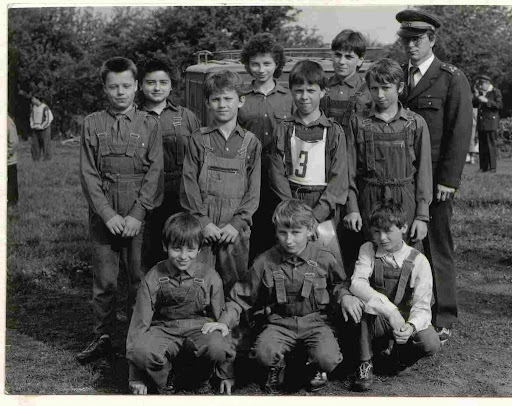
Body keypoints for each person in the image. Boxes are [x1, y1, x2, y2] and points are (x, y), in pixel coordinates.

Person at [210, 199, 362, 394]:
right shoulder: (265, 261)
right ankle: (277, 365)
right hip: (279, 323)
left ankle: (315, 367)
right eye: (283, 232)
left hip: (316, 323)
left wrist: (345, 296)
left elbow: (339, 284)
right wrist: (224, 322)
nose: (289, 240)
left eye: (296, 232)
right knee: (263, 354)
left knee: (328, 359)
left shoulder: (324, 257)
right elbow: (240, 297)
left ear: (310, 230)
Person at [77, 56, 164, 364]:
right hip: (104, 213)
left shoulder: (150, 124)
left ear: (136, 86)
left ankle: (136, 339)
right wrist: (107, 214)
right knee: (105, 281)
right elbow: (88, 175)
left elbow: (155, 173)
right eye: (113, 87)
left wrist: (137, 215)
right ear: (104, 88)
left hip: (138, 213)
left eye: (126, 86)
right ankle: (102, 337)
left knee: (139, 279)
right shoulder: (92, 124)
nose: (120, 92)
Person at [396, 9, 473, 344]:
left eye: (417, 39)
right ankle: (410, 310)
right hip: (403, 177)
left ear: (432, 40)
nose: (410, 46)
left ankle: (444, 315)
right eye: (406, 40)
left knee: (437, 244)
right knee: (404, 242)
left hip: (437, 180)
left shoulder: (451, 78)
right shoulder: (399, 76)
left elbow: (460, 131)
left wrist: (449, 180)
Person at [126, 212, 235, 395]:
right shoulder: (153, 277)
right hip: (164, 329)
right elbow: (139, 325)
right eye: (176, 249)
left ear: (199, 249)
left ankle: (200, 379)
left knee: (218, 346)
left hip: (200, 330)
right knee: (141, 351)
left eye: (190, 249)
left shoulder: (210, 277)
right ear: (165, 246)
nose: (184, 256)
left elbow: (223, 326)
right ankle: (164, 378)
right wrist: (135, 376)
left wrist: (226, 373)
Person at [180, 70, 262, 295]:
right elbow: (188, 186)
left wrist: (236, 224)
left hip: (234, 229)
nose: (222, 104)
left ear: (241, 101)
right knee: (197, 282)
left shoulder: (251, 143)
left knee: (234, 284)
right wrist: (203, 222)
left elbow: (253, 192)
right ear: (207, 103)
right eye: (216, 99)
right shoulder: (198, 139)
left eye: (228, 98)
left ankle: (232, 318)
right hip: (201, 226)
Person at [350, 201, 440, 391]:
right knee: (363, 306)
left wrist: (411, 326)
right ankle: (365, 363)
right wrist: (390, 311)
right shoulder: (368, 249)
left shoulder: (419, 260)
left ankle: (397, 360)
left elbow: (422, 305)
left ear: (403, 228)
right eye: (376, 232)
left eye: (388, 231)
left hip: (404, 320)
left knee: (430, 342)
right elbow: (357, 283)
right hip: (378, 318)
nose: (382, 238)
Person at [343, 58, 432, 246]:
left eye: (386, 88)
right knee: (370, 251)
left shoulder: (415, 123)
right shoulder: (357, 122)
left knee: (405, 252)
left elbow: (424, 172)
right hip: (369, 196)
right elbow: (348, 170)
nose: (379, 94)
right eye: (374, 88)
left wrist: (422, 216)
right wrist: (352, 208)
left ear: (400, 88)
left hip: (404, 197)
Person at [138, 57, 201, 271]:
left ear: (171, 85)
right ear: (140, 85)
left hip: (180, 192)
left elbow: (199, 157)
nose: (157, 88)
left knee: (180, 242)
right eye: (150, 82)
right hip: (145, 191)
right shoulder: (133, 118)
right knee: (149, 246)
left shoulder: (186, 117)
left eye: (163, 82)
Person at [269, 60, 350, 228]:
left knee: (321, 244)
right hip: (290, 202)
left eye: (311, 91)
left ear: (323, 92)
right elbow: (277, 175)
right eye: (299, 91)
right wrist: (291, 209)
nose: (304, 97)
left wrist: (318, 215)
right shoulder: (283, 129)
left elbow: (339, 180)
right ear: (291, 91)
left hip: (323, 205)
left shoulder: (334, 131)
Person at [321, 29, 373, 276]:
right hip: (325, 168)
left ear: (360, 60)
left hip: (355, 169)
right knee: (327, 231)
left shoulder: (368, 91)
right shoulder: (322, 88)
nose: (342, 61)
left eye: (349, 57)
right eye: (337, 55)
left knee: (354, 230)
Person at [238, 33, 294, 262]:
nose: (261, 70)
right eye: (255, 64)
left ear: (277, 64)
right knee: (252, 227)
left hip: (280, 174)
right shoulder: (240, 97)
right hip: (247, 174)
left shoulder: (289, 97)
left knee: (280, 223)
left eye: (267, 63)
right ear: (247, 65)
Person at [472, 74, 503, 173]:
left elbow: (499, 105)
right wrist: (477, 96)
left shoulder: (495, 92)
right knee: (482, 145)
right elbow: (474, 105)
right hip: (482, 123)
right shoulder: (481, 92)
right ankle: (483, 167)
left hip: (491, 122)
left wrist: (487, 101)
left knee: (491, 145)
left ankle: (492, 167)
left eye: (481, 84)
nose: (480, 86)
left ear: (487, 83)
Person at [29, 95, 53, 161]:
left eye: (33, 99)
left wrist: (42, 126)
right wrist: (32, 125)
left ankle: (47, 160)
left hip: (44, 129)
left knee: (46, 144)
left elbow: (49, 118)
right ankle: (35, 159)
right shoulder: (33, 107)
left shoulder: (45, 107)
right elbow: (31, 117)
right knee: (35, 145)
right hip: (35, 129)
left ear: (37, 99)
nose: (32, 100)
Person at [7, 115, 19, 206]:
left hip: (9, 161)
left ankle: (12, 202)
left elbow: (14, 142)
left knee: (11, 182)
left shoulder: (8, 122)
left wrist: (6, 154)